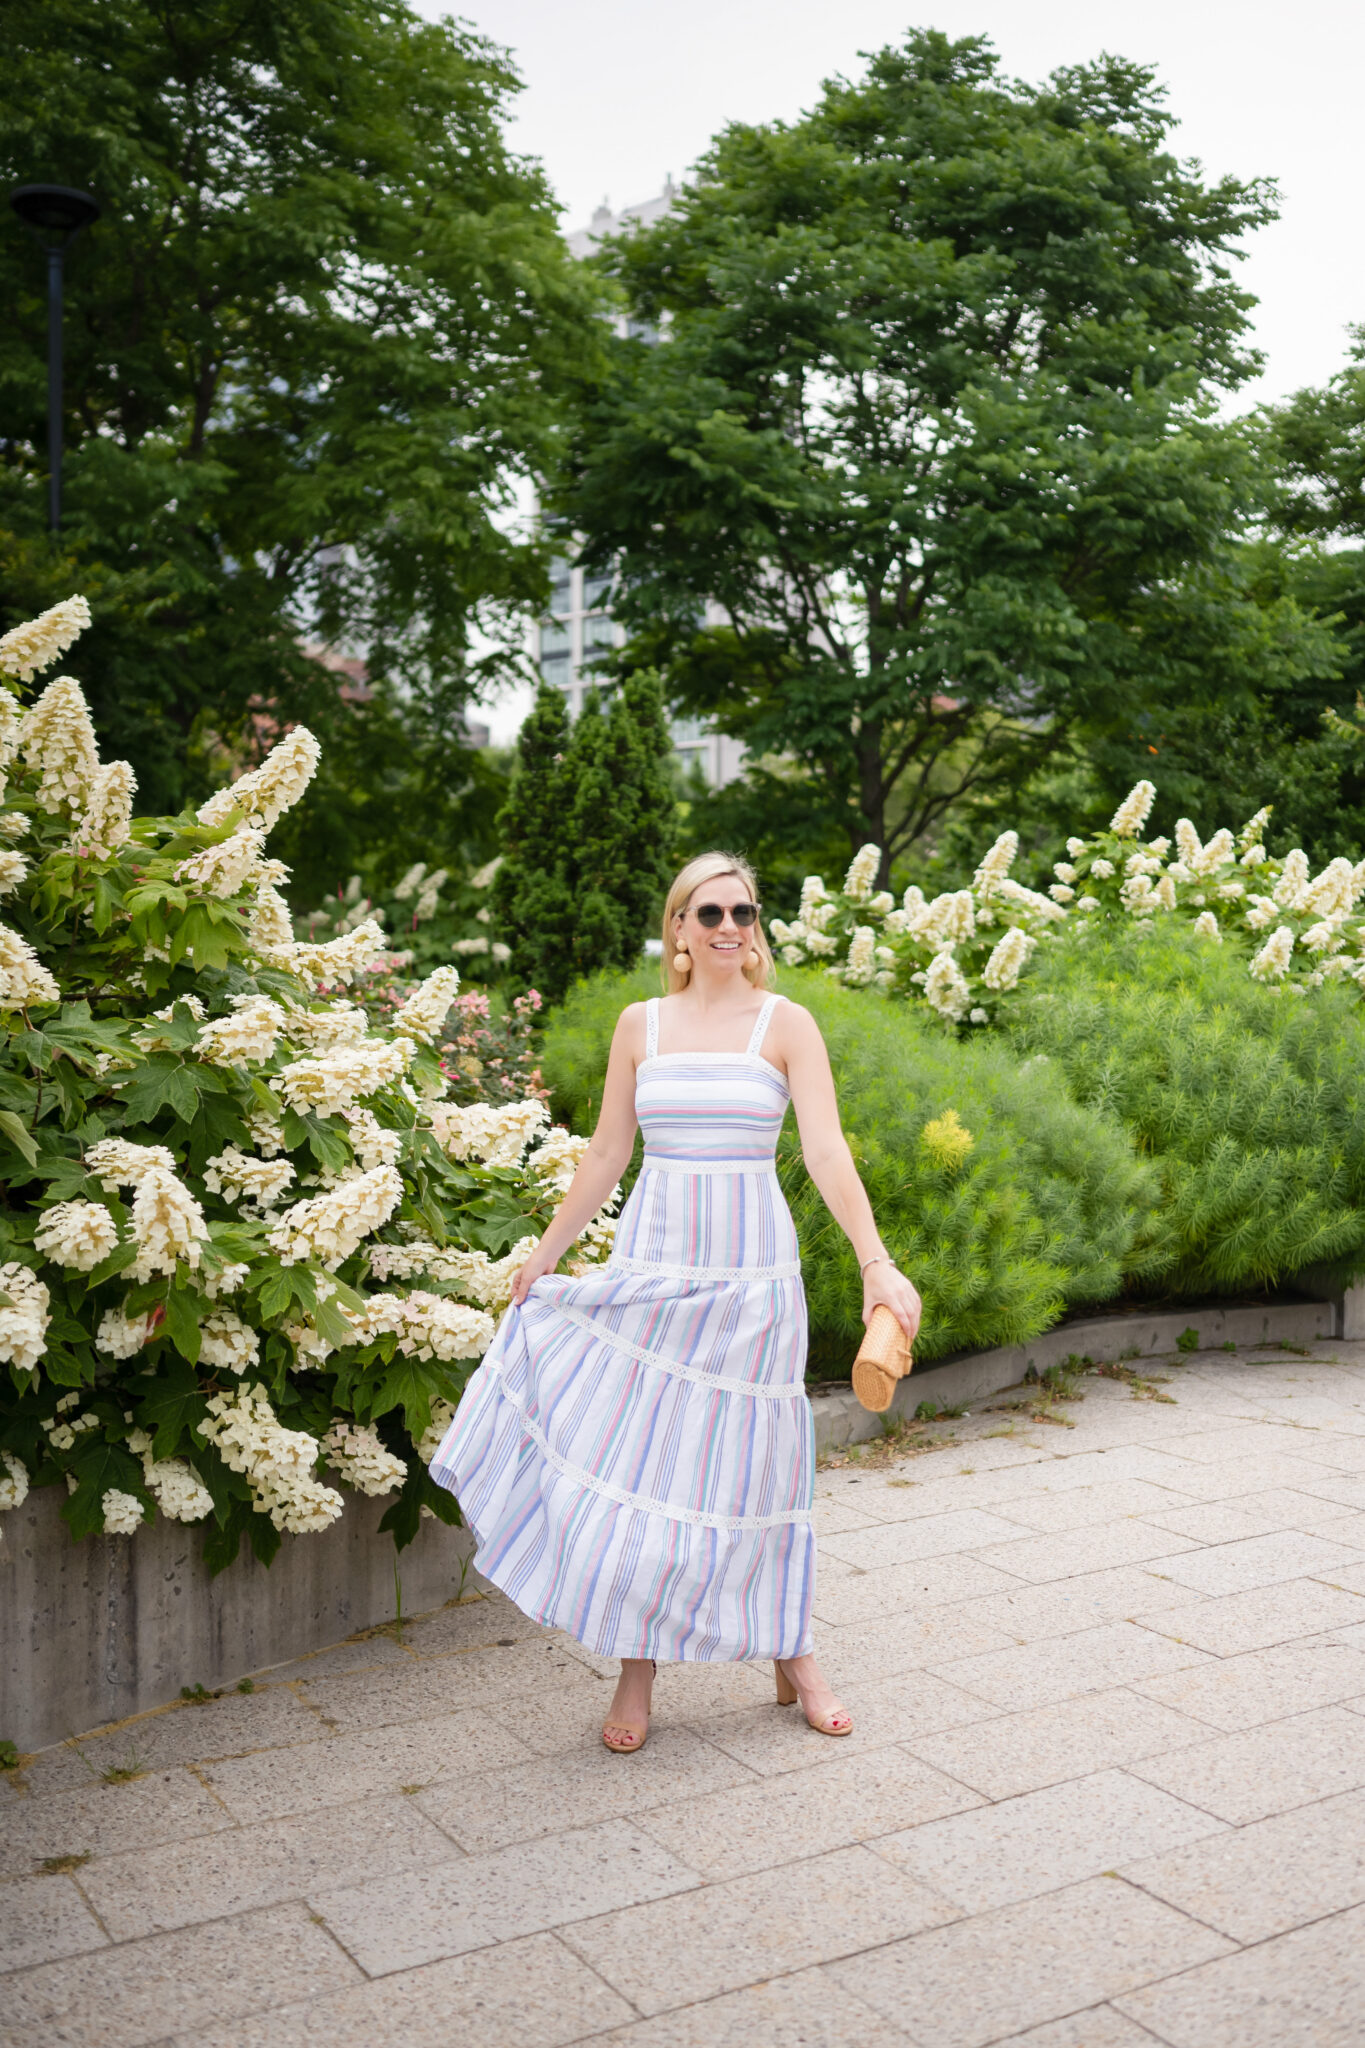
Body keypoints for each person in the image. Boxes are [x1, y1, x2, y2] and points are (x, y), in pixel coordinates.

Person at [430, 851, 922, 1751]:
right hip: (654, 1267)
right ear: (678, 930)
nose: (729, 926)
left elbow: (825, 1152)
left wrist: (875, 1264)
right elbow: (607, 1154)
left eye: (742, 911)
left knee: (758, 1466)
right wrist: (545, 1256)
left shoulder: (786, 1024)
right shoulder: (639, 1026)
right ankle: (637, 1666)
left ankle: (794, 1651)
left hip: (751, 1276)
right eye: (709, 914)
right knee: (651, 1467)